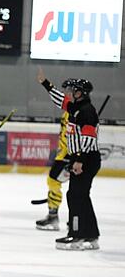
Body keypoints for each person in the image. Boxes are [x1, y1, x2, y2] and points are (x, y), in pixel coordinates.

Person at [37, 69, 101, 251]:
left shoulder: (86, 111)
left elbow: (89, 138)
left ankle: (77, 234)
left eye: (76, 90)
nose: (72, 93)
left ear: (83, 93)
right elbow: (62, 101)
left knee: (75, 196)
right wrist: (46, 84)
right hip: (82, 158)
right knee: (81, 196)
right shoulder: (77, 108)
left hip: (85, 159)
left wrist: (79, 160)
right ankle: (91, 235)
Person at [34, 70, 74, 231]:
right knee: (56, 183)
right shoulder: (68, 110)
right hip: (64, 154)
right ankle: (62, 217)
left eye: (68, 91)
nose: (65, 93)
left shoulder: (74, 110)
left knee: (55, 182)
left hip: (69, 155)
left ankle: (54, 216)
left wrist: (72, 156)